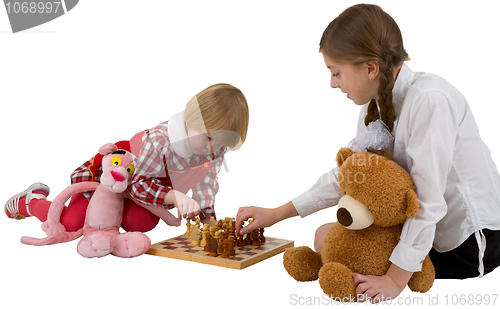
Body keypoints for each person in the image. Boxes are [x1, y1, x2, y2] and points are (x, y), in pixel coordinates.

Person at [236, 3, 500, 303]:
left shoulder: (430, 101)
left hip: (466, 245)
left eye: (336, 73)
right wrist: (276, 213)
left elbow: (428, 202)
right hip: (426, 229)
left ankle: (359, 275)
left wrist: (393, 279)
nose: (333, 84)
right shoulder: (372, 106)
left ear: (371, 68)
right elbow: (353, 177)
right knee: (325, 236)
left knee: (329, 240)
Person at [5, 83, 249, 233]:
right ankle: (32, 201)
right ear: (191, 121)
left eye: (222, 143)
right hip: (116, 176)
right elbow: (139, 183)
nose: (212, 149)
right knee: (72, 223)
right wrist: (175, 196)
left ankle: (115, 218)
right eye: (207, 138)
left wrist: (208, 222)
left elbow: (206, 185)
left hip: (145, 189)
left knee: (140, 221)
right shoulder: (160, 140)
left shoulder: (215, 149)